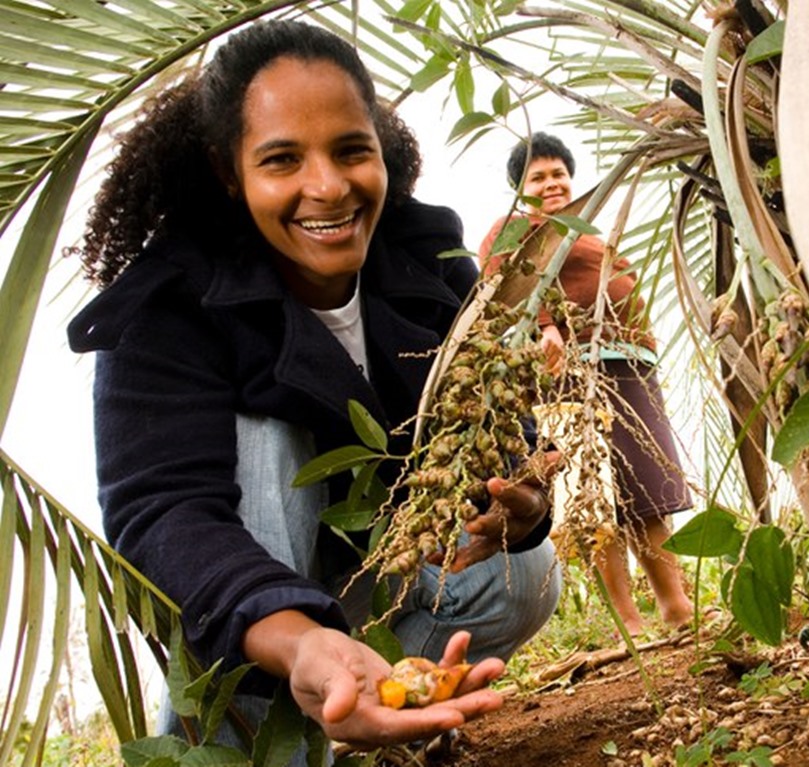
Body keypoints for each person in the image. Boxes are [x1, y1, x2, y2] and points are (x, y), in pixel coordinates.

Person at [64, 19, 560, 760]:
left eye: (351, 150)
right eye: (282, 159)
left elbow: (496, 428)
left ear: (381, 148)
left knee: (523, 571)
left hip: (365, 579)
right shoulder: (169, 307)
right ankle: (264, 736)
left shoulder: (429, 264)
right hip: (252, 610)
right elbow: (163, 509)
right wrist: (301, 643)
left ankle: (365, 700)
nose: (327, 187)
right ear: (230, 171)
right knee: (269, 436)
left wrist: (519, 505)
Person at [477, 132, 699, 639]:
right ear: (520, 188)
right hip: (569, 370)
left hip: (626, 365)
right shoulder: (514, 228)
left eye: (558, 174)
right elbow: (504, 282)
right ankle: (628, 620)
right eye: (538, 177)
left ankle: (677, 607)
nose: (552, 183)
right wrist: (547, 325)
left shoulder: (587, 231)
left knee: (645, 490)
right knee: (593, 496)